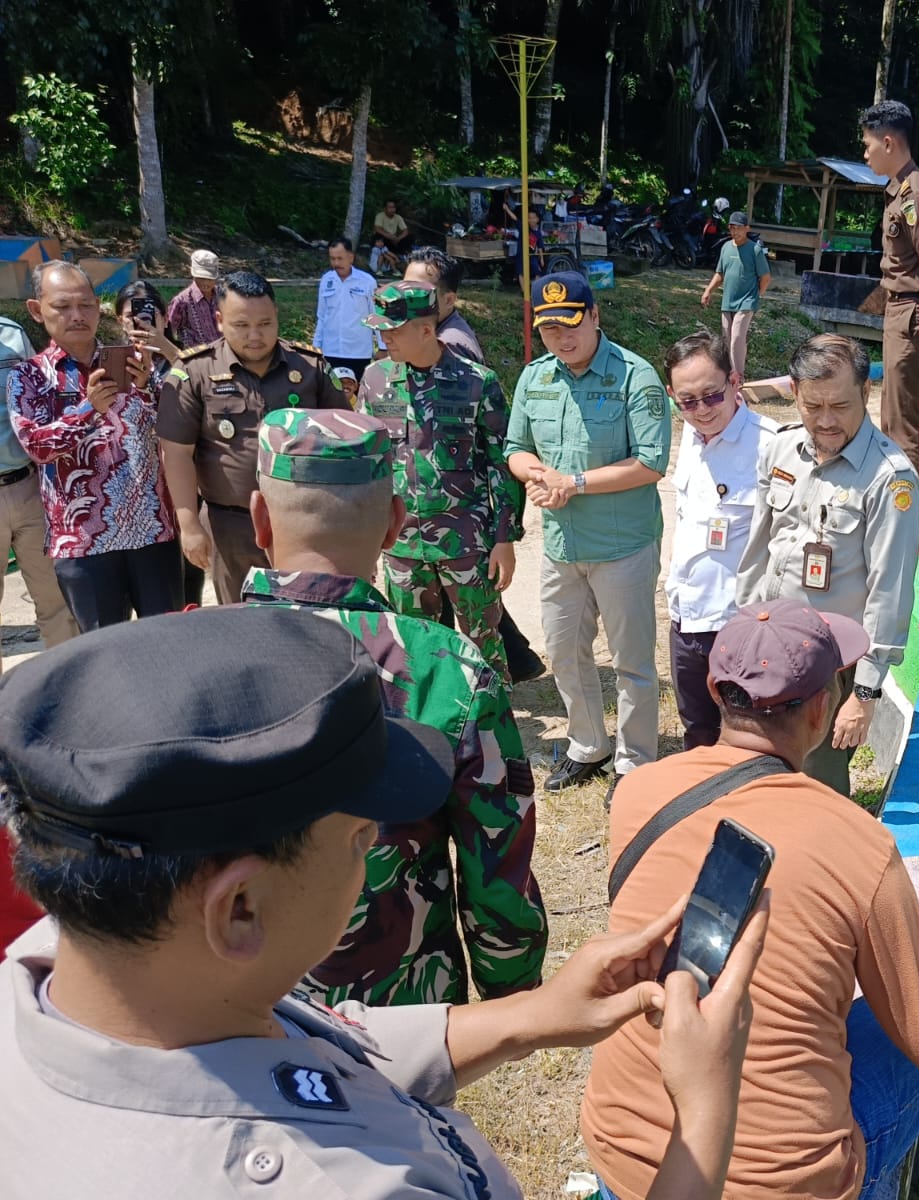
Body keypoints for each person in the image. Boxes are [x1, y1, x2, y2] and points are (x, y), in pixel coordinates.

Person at [0, 605, 764, 1199]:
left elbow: (303, 1051)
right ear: (239, 909)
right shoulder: (343, 1184)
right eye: (363, 838)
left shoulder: (65, 973)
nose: (373, 852)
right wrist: (704, 1114)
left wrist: (532, 1016)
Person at [584, 600, 919, 1200]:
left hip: (627, 1162)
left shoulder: (637, 795)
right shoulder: (857, 842)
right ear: (821, 710)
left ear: (716, 690)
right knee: (912, 1034)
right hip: (783, 1187)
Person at [242, 407, 543, 1005]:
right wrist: (512, 991)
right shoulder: (445, 669)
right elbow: (495, 857)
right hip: (399, 1017)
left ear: (260, 519)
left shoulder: (188, 653)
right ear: (394, 525)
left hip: (232, 1019)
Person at [734, 334, 919, 796]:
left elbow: (889, 592)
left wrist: (865, 694)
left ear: (866, 392)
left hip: (832, 662)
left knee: (816, 783)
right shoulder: (782, 449)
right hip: (769, 641)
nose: (826, 421)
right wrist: (740, 626)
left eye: (839, 405)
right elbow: (758, 548)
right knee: (760, 767)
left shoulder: (889, 480)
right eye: (812, 406)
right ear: (794, 392)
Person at [507, 272, 671, 792]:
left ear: (595, 316)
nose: (561, 337)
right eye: (550, 328)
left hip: (622, 547)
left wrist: (573, 483)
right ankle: (588, 746)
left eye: (571, 324)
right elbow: (515, 448)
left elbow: (651, 463)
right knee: (563, 653)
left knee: (632, 662)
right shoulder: (535, 378)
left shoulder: (634, 377)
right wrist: (538, 476)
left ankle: (636, 760)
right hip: (561, 545)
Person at [357, 282, 520, 679]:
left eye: (394, 330)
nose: (385, 337)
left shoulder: (477, 382)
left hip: (465, 540)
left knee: (483, 640)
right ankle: (427, 724)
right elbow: (366, 463)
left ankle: (493, 720)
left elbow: (501, 464)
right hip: (402, 543)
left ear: (426, 331)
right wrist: (363, 541)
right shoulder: (375, 379)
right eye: (381, 329)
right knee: (413, 643)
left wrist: (504, 539)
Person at [8, 261, 182, 630]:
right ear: (37, 311)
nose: (77, 316)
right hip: (85, 544)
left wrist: (150, 387)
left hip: (153, 532)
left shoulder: (130, 363)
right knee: (105, 657)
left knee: (168, 646)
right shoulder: (30, 376)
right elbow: (37, 447)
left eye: (86, 305)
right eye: (62, 306)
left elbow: (169, 432)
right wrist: (89, 408)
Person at [157, 269, 348, 605]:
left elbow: (346, 440)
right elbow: (176, 453)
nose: (255, 335)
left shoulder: (310, 368)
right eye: (241, 326)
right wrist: (189, 526)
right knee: (241, 621)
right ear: (219, 320)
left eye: (264, 324)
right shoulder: (193, 372)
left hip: (305, 521)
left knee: (307, 615)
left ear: (276, 317)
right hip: (230, 525)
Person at [404, 245, 546, 683]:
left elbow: (492, 455)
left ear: (447, 301)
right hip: (419, 536)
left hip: (461, 525)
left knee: (476, 630)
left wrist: (503, 533)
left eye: (421, 289)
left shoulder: (454, 349)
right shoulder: (393, 365)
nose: (409, 298)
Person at [663, 331, 778, 749]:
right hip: (686, 620)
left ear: (734, 382)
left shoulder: (771, 445)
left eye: (711, 396)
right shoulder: (691, 441)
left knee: (748, 738)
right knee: (697, 732)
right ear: (673, 396)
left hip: (738, 626)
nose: (702, 410)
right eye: (688, 402)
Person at [862, 100, 919, 520]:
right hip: (901, 312)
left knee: (903, 422)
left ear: (889, 141)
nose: (866, 154)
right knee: (896, 416)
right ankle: (905, 511)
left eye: (868, 145)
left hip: (914, 316)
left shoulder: (915, 193)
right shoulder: (901, 190)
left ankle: (909, 517)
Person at [118, 280, 208, 610]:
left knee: (187, 564)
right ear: (118, 320)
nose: (139, 321)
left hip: (181, 476)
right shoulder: (110, 358)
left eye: (149, 313)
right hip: (133, 481)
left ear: (165, 317)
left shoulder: (181, 357)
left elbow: (201, 384)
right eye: (131, 315)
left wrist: (163, 347)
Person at [0, 311, 77, 664]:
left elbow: (38, 398)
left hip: (28, 486)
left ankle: (65, 692)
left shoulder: (12, 334)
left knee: (56, 602)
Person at [699, 212, 771, 386]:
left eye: (739, 227)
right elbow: (720, 274)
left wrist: (758, 294)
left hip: (747, 301)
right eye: (732, 227)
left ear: (747, 228)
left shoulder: (754, 250)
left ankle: (738, 375)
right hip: (728, 301)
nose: (735, 231)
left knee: (737, 336)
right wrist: (708, 291)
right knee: (726, 338)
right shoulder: (726, 248)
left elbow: (766, 277)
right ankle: (729, 373)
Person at [315, 237, 380, 378]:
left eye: (340, 258)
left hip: (358, 352)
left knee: (356, 396)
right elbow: (322, 315)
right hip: (330, 351)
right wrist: (316, 345)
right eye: (332, 259)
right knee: (331, 395)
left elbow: (376, 316)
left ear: (351, 257)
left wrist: (382, 347)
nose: (336, 263)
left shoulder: (367, 282)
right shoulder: (327, 280)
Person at [165, 249, 222, 350]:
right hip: (196, 356)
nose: (205, 283)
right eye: (201, 278)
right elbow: (169, 330)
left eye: (209, 278)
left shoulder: (222, 296)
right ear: (193, 275)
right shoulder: (182, 301)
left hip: (222, 352)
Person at [370, 199, 413, 276]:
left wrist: (398, 238)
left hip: (394, 240)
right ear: (385, 208)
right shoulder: (380, 216)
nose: (392, 209)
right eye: (390, 207)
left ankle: (402, 255)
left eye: (393, 207)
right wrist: (390, 236)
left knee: (409, 237)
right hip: (385, 239)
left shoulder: (398, 217)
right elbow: (377, 229)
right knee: (378, 236)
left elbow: (405, 231)